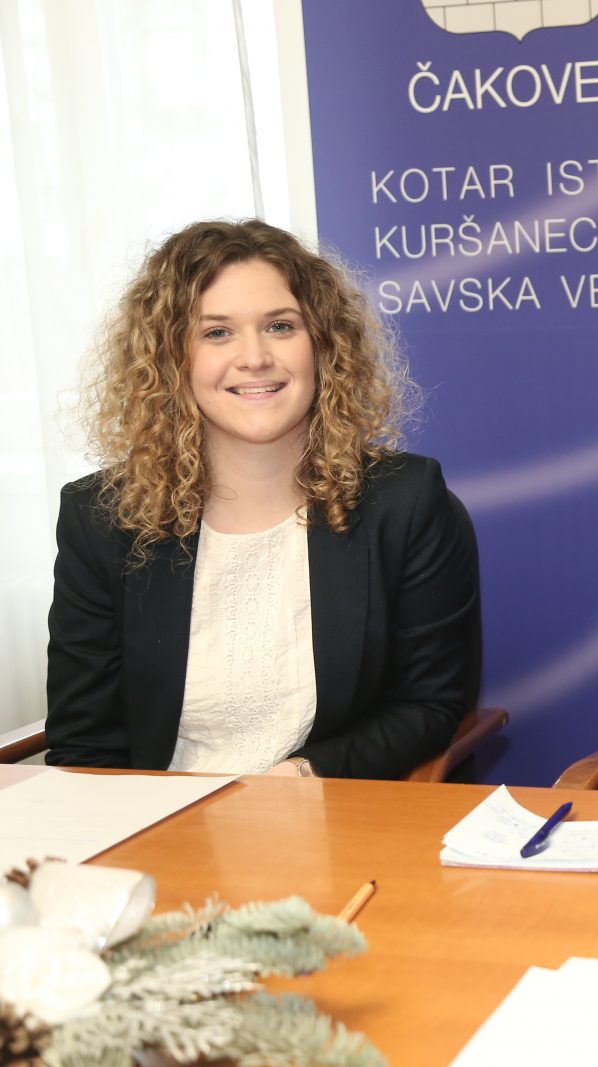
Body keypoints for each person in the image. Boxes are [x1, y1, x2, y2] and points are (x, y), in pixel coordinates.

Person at [46, 220, 479, 779]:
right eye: (216, 332)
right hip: (159, 820)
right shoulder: (101, 517)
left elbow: (428, 704)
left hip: (327, 809)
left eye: (280, 326)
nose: (254, 357)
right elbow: (84, 742)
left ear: (323, 345)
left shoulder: (405, 501)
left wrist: (300, 777)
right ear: (170, 359)